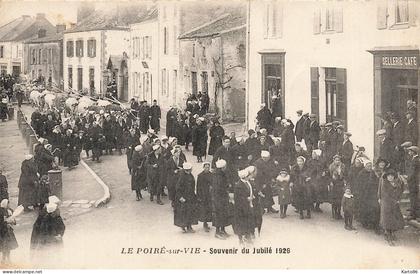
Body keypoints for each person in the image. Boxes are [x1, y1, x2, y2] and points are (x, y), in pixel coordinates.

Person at [378, 169, 405, 246]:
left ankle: (391, 233)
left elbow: (400, 191)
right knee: (387, 219)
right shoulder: (384, 184)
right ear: (386, 177)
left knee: (394, 219)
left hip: (394, 204)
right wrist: (394, 201)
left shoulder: (396, 184)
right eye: (389, 176)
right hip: (386, 204)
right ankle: (388, 235)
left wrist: (398, 199)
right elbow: (385, 195)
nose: (390, 177)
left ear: (394, 177)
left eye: (392, 176)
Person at [174, 163, 198, 233]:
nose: (191, 170)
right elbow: (178, 188)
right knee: (183, 212)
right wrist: (180, 197)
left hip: (190, 196)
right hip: (183, 198)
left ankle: (189, 226)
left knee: (190, 211)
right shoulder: (182, 177)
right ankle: (183, 226)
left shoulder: (190, 175)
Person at [357, 160, 380, 232]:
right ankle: (364, 222)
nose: (369, 167)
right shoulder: (361, 173)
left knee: (371, 208)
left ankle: (371, 223)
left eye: (370, 166)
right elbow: (359, 184)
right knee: (364, 208)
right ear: (365, 166)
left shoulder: (373, 173)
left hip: (371, 194)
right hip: (364, 193)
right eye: (368, 166)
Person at [233, 169, 255, 245]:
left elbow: (249, 191)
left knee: (248, 222)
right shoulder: (238, 185)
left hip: (247, 206)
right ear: (245, 176)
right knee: (241, 223)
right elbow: (237, 198)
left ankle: (247, 237)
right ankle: (240, 239)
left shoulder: (247, 182)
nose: (249, 176)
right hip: (241, 208)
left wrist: (252, 196)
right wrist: (246, 199)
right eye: (248, 175)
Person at [212, 159, 232, 239]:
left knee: (224, 214)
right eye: (225, 166)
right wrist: (227, 187)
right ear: (222, 167)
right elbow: (218, 187)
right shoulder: (217, 175)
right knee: (219, 214)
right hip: (218, 198)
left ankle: (223, 230)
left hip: (222, 197)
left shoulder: (221, 174)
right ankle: (217, 232)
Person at [0, 199, 18, 264]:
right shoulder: (1, 211)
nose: (9, 205)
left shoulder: (9, 211)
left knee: (8, 246)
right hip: (2, 231)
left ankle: (7, 259)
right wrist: (7, 222)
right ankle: (4, 259)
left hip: (8, 231)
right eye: (8, 204)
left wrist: (13, 221)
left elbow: (14, 221)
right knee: (4, 246)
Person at [197, 162, 213, 232]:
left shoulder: (211, 175)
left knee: (209, 209)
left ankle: (207, 222)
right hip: (203, 195)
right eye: (206, 167)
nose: (207, 168)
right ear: (203, 167)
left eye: (208, 167)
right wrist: (199, 196)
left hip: (209, 195)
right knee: (204, 209)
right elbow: (198, 187)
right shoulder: (200, 175)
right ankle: (205, 223)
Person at [328, 155, 346, 219]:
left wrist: (344, 181)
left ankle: (338, 212)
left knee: (339, 199)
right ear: (334, 160)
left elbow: (344, 175)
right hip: (334, 184)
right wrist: (330, 182)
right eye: (336, 160)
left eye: (338, 160)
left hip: (340, 184)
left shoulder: (343, 166)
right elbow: (329, 176)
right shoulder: (331, 167)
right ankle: (334, 212)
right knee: (334, 199)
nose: (337, 161)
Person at [406, 146, 419, 220]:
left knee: (413, 197)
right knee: (412, 197)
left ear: (413, 152)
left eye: (410, 151)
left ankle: (414, 215)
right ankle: (413, 212)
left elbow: (413, 172)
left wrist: (408, 178)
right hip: (413, 181)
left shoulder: (416, 160)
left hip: (413, 181)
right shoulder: (414, 159)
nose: (409, 152)